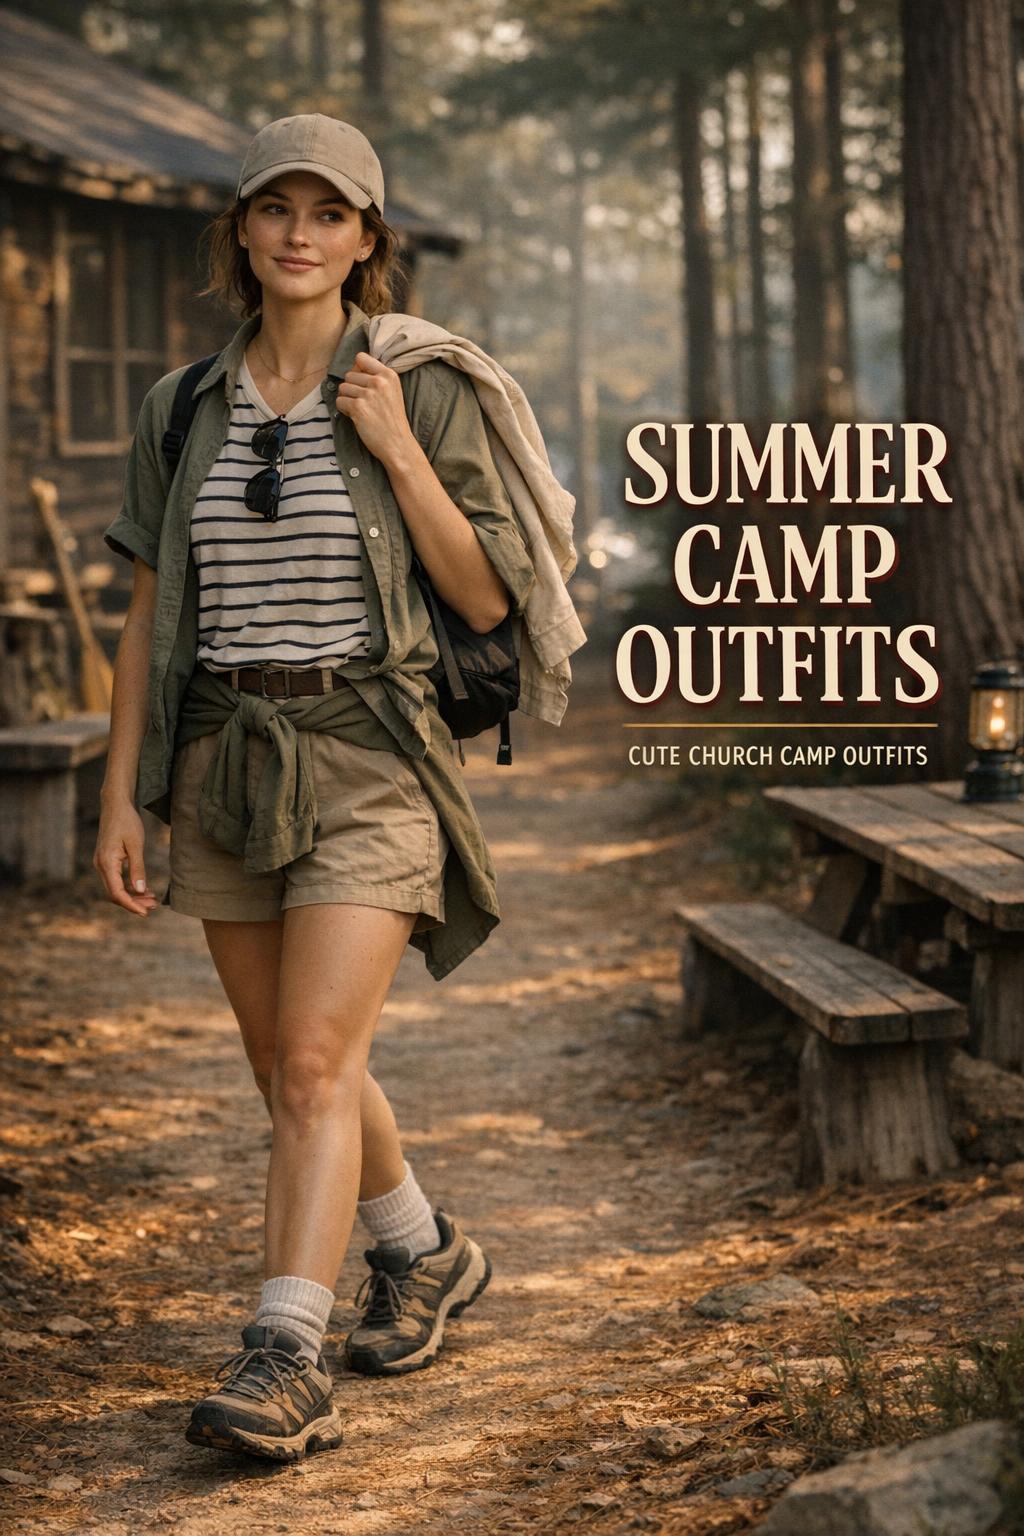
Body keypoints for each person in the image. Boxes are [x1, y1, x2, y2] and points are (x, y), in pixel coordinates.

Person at [93, 114, 538, 1463]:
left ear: (366, 238)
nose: (299, 232)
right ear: (241, 229)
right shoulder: (183, 407)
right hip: (227, 757)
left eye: (328, 212)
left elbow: (485, 596)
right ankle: (423, 1250)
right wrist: (124, 791)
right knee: (296, 1062)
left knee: (307, 1061)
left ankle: (285, 1350)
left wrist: (398, 447)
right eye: (275, 208)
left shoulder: (426, 385)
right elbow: (148, 613)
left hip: (372, 752)